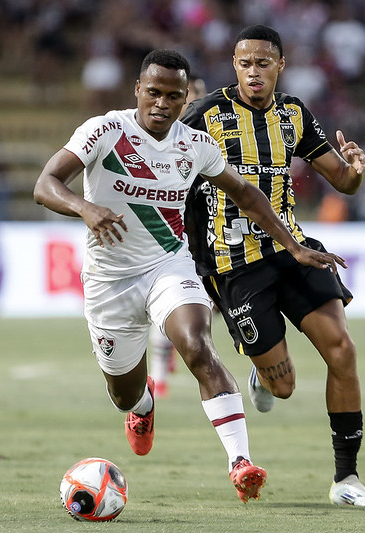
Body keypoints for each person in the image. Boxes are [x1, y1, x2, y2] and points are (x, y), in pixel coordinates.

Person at [33, 49, 344, 503]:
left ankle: (240, 462)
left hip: (168, 265)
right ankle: (141, 407)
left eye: (173, 96)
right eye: (153, 92)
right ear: (138, 90)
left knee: (197, 343)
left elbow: (248, 196)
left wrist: (294, 246)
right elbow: (45, 185)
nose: (161, 103)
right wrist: (85, 208)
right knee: (123, 392)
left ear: (185, 100)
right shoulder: (104, 130)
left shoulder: (195, 145)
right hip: (109, 280)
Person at [180, 25, 365, 507]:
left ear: (280, 66)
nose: (254, 72)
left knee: (343, 350)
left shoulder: (294, 114)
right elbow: (174, 183)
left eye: (263, 63)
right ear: (235, 66)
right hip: (236, 265)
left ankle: (346, 481)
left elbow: (342, 180)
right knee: (285, 387)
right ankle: (263, 371)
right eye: (245, 63)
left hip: (295, 249)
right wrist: (197, 262)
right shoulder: (204, 115)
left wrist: (355, 172)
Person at [148, 74, 208, 399]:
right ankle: (158, 375)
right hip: (172, 236)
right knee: (166, 298)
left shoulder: (207, 140)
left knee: (209, 307)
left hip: (208, 234)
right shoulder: (157, 137)